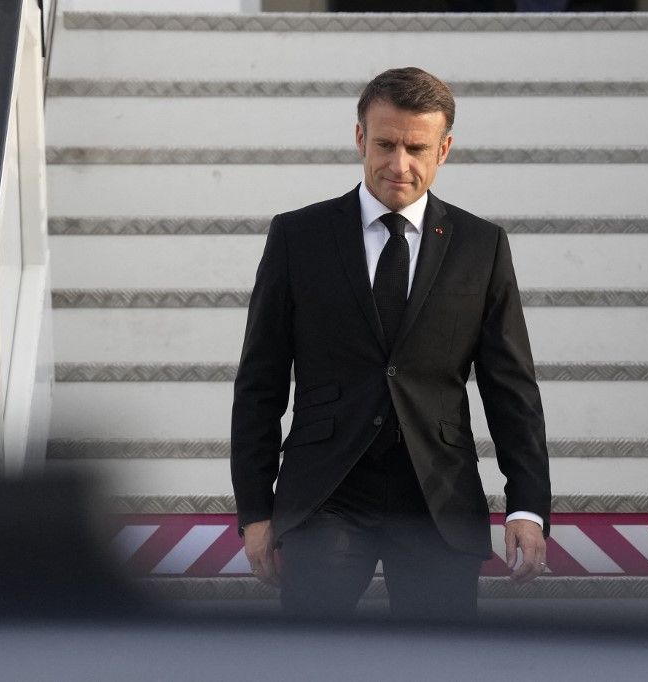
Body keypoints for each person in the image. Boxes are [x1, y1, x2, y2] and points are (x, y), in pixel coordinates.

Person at [230, 67, 551, 619]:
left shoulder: (482, 245)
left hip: (438, 499)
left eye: (415, 148)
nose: (397, 165)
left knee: (441, 665)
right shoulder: (297, 236)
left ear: (444, 150)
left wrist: (527, 504)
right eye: (384, 144)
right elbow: (259, 383)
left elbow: (510, 387)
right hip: (325, 495)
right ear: (360, 138)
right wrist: (256, 510)